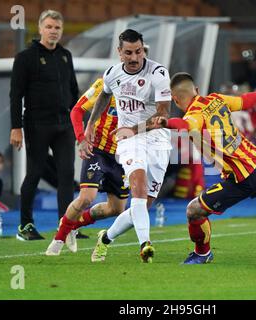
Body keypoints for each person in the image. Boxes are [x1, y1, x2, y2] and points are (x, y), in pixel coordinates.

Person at [145, 72, 256, 264]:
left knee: (194, 210)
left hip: (242, 175)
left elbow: (184, 124)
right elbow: (245, 101)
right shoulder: (217, 98)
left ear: (175, 99)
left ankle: (202, 253)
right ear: (196, 90)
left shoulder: (194, 114)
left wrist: (166, 123)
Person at [80, 29, 172, 263]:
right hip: (129, 140)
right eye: (128, 53)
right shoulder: (112, 74)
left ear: (144, 50)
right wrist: (90, 124)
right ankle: (145, 245)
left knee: (141, 208)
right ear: (119, 53)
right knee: (138, 190)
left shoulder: (159, 73)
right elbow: (103, 96)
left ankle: (105, 239)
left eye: (138, 52)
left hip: (157, 140)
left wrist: (134, 128)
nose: (134, 57)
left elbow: (163, 115)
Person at [10, 10, 79, 241]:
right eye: (49, 27)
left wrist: (78, 124)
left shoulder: (65, 56)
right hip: (37, 125)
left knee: (67, 175)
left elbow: (73, 91)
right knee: (35, 173)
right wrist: (16, 127)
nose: (53, 31)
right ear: (40, 28)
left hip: (64, 125)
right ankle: (25, 226)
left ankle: (66, 226)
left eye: (57, 28)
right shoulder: (25, 57)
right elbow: (15, 96)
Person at [45, 77, 130, 256]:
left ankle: (72, 226)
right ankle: (58, 239)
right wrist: (81, 139)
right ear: (121, 54)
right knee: (86, 198)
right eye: (129, 53)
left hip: (123, 156)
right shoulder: (105, 83)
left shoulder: (146, 89)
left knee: (117, 209)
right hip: (97, 150)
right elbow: (76, 110)